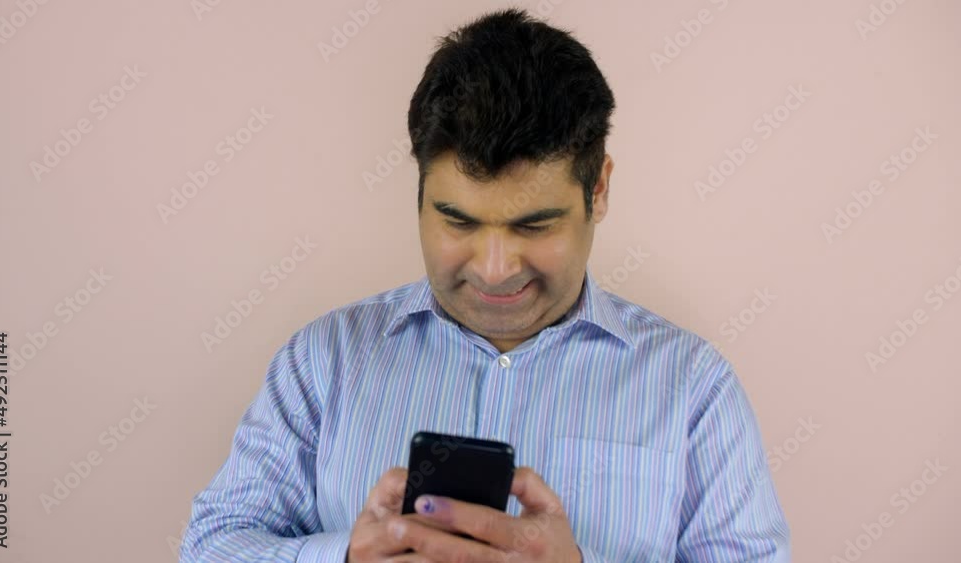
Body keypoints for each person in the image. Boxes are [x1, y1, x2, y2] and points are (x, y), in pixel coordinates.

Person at [181, 8, 791, 562]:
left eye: (535, 224)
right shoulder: (322, 362)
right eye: (458, 221)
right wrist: (344, 557)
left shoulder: (695, 392)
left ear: (598, 189)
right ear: (419, 192)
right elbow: (210, 546)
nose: (494, 269)